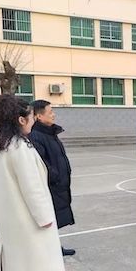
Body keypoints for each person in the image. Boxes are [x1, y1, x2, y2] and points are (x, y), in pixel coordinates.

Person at [0, 94, 66, 271]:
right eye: (30, 117)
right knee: (31, 263)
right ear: (21, 119)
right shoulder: (19, 147)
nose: (33, 121)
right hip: (25, 216)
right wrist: (44, 217)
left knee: (15, 264)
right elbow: (32, 187)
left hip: (8, 214)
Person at [29, 100, 76, 257]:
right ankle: (47, 251)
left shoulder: (50, 133)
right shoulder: (36, 136)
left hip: (58, 185)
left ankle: (54, 248)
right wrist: (55, 176)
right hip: (50, 186)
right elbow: (42, 163)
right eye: (50, 112)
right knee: (47, 219)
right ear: (38, 116)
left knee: (54, 219)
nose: (53, 115)